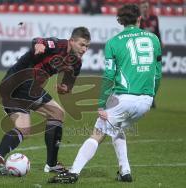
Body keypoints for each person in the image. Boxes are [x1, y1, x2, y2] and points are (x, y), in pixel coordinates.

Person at [48, 4, 162, 184]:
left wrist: (102, 104)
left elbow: (109, 76)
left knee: (97, 133)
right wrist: (150, 97)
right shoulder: (154, 39)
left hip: (124, 98)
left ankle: (73, 172)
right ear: (139, 19)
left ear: (121, 21)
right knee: (117, 128)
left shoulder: (113, 43)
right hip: (145, 101)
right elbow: (157, 72)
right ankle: (125, 172)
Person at [0, 27, 91, 175]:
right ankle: (52, 164)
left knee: (24, 129)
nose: (84, 49)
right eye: (82, 44)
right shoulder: (58, 45)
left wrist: (64, 89)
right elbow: (39, 41)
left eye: (87, 46)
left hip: (12, 88)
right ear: (72, 41)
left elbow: (67, 87)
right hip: (21, 80)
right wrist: (39, 45)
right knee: (57, 113)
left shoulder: (76, 63)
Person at [139, 0, 162, 108]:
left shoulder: (154, 18)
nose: (145, 9)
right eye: (143, 7)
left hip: (154, 51)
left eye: (146, 7)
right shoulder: (138, 21)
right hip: (143, 53)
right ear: (140, 8)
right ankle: (143, 98)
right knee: (143, 75)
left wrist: (160, 43)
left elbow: (157, 32)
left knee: (153, 76)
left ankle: (151, 99)